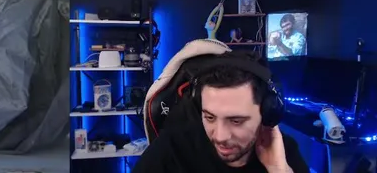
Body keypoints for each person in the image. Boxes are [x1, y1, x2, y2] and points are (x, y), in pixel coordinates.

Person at [132, 63, 309, 173]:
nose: (220, 136)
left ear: (266, 113)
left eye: (236, 121)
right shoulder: (172, 148)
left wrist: (278, 170)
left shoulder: (284, 154)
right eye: (210, 117)